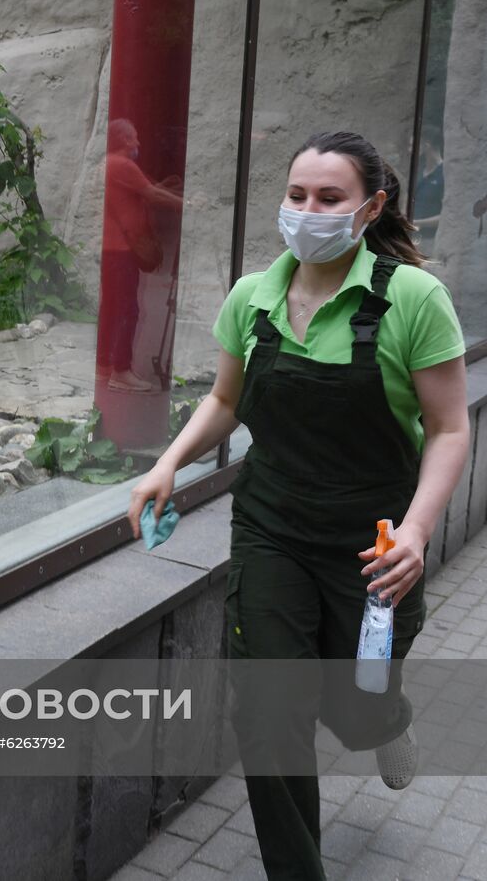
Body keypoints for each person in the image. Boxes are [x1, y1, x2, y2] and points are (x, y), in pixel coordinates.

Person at [127, 130, 469, 880]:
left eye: (329, 198)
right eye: (296, 195)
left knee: (354, 709)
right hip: (272, 525)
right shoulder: (254, 297)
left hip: (373, 542)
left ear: (371, 206)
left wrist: (416, 531)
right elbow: (224, 398)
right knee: (267, 708)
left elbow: (449, 427)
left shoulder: (413, 299)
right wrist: (168, 464)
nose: (307, 211)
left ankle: (386, 718)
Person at [99, 118, 185, 392]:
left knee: (111, 308)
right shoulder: (121, 164)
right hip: (122, 250)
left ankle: (104, 366)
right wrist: (188, 204)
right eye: (134, 137)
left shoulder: (115, 164)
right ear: (124, 139)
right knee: (127, 309)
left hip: (112, 249)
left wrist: (172, 189)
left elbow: (151, 188)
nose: (138, 142)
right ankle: (121, 371)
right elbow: (152, 194)